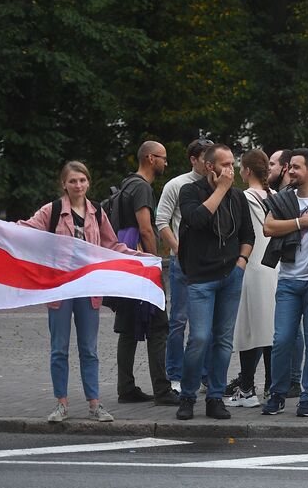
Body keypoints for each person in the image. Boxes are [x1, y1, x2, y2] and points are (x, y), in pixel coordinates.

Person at [18, 161, 142, 423]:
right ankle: (61, 404)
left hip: (88, 287)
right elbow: (25, 231)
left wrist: (137, 257)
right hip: (61, 287)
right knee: (59, 349)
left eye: (82, 180)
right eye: (73, 181)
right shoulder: (51, 210)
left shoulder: (96, 211)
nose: (78, 185)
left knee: (89, 349)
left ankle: (94, 404)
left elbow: (111, 245)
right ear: (64, 184)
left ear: (88, 182)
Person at [175, 143, 254, 420]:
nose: (231, 169)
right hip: (200, 279)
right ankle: (187, 396)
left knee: (223, 340)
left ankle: (215, 397)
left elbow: (248, 235)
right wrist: (220, 189)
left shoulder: (238, 197)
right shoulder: (190, 191)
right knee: (199, 338)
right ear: (210, 167)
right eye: (225, 164)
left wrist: (241, 264)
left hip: (230, 276)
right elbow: (196, 220)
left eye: (233, 163)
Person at [262, 147, 308, 417]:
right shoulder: (283, 198)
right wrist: (302, 222)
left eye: (295, 167)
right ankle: (277, 394)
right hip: (288, 282)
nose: (289, 171)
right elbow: (269, 228)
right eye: (289, 166)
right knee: (282, 340)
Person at [112, 140, 179, 406]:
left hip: (125, 264)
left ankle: (126, 388)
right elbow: (146, 229)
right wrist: (154, 264)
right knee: (159, 326)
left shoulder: (126, 184)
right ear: (151, 158)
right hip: (141, 266)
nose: (166, 163)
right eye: (163, 158)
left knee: (128, 327)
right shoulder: (141, 187)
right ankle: (162, 391)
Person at [156, 138, 214, 392]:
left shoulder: (217, 185)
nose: (210, 163)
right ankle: (176, 374)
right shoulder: (176, 185)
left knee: (208, 321)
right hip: (183, 261)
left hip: (210, 262)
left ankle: (206, 374)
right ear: (193, 159)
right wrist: (180, 250)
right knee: (179, 319)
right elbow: (162, 221)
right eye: (205, 158)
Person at [228, 149, 277, 407]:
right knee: (270, 330)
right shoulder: (276, 196)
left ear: (247, 171)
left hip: (251, 267)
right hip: (274, 267)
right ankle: (271, 386)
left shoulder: (242, 197)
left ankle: (247, 389)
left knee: (248, 330)